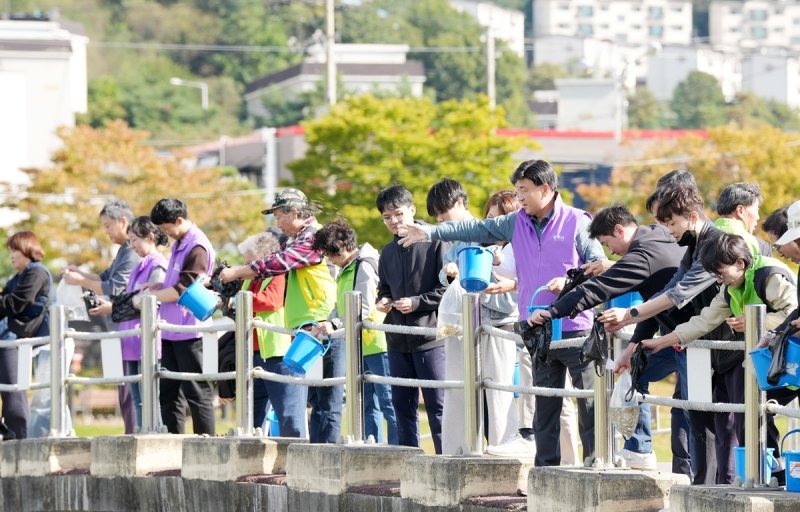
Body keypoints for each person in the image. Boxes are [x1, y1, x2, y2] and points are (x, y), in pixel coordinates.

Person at [398, 160, 605, 467]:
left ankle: (595, 464)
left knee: (588, 400)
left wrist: (570, 281)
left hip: (575, 325)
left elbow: (599, 266)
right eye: (518, 190)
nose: (519, 197)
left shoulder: (578, 221)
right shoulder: (515, 222)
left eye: (524, 190)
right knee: (544, 404)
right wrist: (429, 232)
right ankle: (546, 470)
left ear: (545, 189)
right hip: (536, 326)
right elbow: (473, 228)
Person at [601, 185, 750, 484]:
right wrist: (633, 345)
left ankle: (730, 486)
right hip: (698, 344)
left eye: (670, 223)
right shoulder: (692, 247)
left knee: (732, 423)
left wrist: (630, 314)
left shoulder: (716, 244)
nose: (666, 230)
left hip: (729, 347)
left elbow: (677, 295)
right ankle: (704, 488)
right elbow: (669, 291)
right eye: (662, 223)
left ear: (691, 216)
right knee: (700, 419)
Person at [530, 204, 692, 473]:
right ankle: (639, 449)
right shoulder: (655, 235)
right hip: (677, 333)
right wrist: (630, 349)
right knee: (636, 371)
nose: (610, 252)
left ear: (619, 230)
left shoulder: (640, 257)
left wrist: (553, 311)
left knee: (694, 409)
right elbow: (655, 305)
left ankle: (694, 476)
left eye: (608, 243)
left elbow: (597, 289)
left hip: (695, 338)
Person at [641, 233, 798, 482]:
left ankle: (770, 473)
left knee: (757, 410)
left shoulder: (770, 277)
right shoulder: (729, 288)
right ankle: (769, 474)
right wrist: (662, 341)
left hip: (792, 359)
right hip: (770, 359)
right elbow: (704, 321)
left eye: (720, 272)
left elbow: (793, 313)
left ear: (740, 263)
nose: (718, 278)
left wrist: (755, 322)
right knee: (751, 412)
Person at [219, 188, 338, 443]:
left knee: (320, 404)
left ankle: (310, 465)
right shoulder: (298, 239)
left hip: (323, 325)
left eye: (278, 216)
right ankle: (302, 464)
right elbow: (276, 260)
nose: (277, 223)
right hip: (306, 328)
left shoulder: (312, 238)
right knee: (316, 403)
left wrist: (239, 272)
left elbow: (278, 263)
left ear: (293, 212)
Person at [481, 190, 581, 461]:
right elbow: (517, 272)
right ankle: (542, 456)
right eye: (490, 219)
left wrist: (512, 284)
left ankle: (571, 462)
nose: (494, 225)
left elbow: (577, 268)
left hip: (558, 323)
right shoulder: (502, 248)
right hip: (529, 323)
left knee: (562, 402)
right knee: (541, 398)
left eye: (499, 219)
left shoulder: (562, 225)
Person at [424, 180, 519, 454]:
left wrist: (481, 278)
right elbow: (445, 274)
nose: (441, 221)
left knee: (497, 392)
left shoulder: (492, 237)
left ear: (459, 204)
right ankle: (458, 450)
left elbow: (509, 287)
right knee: (457, 387)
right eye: (437, 217)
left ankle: (502, 448)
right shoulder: (454, 241)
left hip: (496, 321)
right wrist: (450, 272)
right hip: (462, 323)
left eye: (443, 213)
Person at [375, 185, 448, 453]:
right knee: (401, 406)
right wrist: (383, 299)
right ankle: (408, 462)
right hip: (396, 339)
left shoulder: (436, 242)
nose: (394, 221)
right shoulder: (387, 252)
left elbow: (448, 289)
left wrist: (416, 303)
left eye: (398, 214)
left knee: (438, 405)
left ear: (412, 211)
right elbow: (384, 288)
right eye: (387, 217)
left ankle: (445, 460)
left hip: (430, 337)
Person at [312, 219, 398, 445]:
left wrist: (335, 324)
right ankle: (375, 452)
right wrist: (326, 322)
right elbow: (342, 306)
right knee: (367, 404)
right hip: (360, 344)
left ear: (340, 248)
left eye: (329, 255)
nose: (329, 260)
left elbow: (366, 307)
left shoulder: (365, 265)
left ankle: (403, 453)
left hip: (378, 342)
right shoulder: (347, 268)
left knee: (389, 402)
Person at [63, 199, 141, 434]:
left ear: (123, 222)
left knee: (130, 387)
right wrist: (82, 274)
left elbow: (114, 287)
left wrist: (81, 281)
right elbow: (104, 276)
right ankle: (131, 432)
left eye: (108, 226)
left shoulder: (131, 253)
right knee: (123, 386)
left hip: (128, 327)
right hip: (118, 327)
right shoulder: (123, 252)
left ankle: (134, 433)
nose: (105, 231)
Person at [144, 198, 216, 435]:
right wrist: (157, 288)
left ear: (179, 220)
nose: (166, 234)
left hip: (190, 330)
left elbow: (183, 289)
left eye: (166, 229)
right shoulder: (181, 242)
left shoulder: (197, 247)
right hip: (171, 329)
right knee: (169, 392)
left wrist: (150, 299)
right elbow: (173, 283)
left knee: (196, 391)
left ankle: (206, 443)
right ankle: (174, 443)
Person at [90, 217, 168, 430]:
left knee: (149, 394)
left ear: (150, 237)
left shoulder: (158, 264)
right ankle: (141, 432)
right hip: (130, 336)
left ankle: (153, 432)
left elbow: (148, 300)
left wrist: (114, 306)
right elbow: (131, 297)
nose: (132, 245)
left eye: (135, 240)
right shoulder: (141, 264)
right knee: (137, 397)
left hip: (145, 336)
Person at [233, 231, 306, 437]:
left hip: (279, 352)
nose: (247, 268)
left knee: (288, 413)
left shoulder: (279, 272)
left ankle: (294, 459)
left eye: (250, 263)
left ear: (263, 259)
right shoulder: (249, 280)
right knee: (251, 415)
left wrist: (238, 300)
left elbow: (272, 300)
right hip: (254, 352)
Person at [0, 232, 52, 439]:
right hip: (18, 339)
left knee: (21, 393)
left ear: (27, 249)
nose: (12, 256)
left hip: (39, 340)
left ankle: (22, 439)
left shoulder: (36, 273)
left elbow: (17, 303)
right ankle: (13, 436)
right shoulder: (19, 277)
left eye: (15, 250)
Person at [715, 182, 771, 257]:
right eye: (756, 210)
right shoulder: (756, 245)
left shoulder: (702, 236)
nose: (758, 217)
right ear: (740, 210)